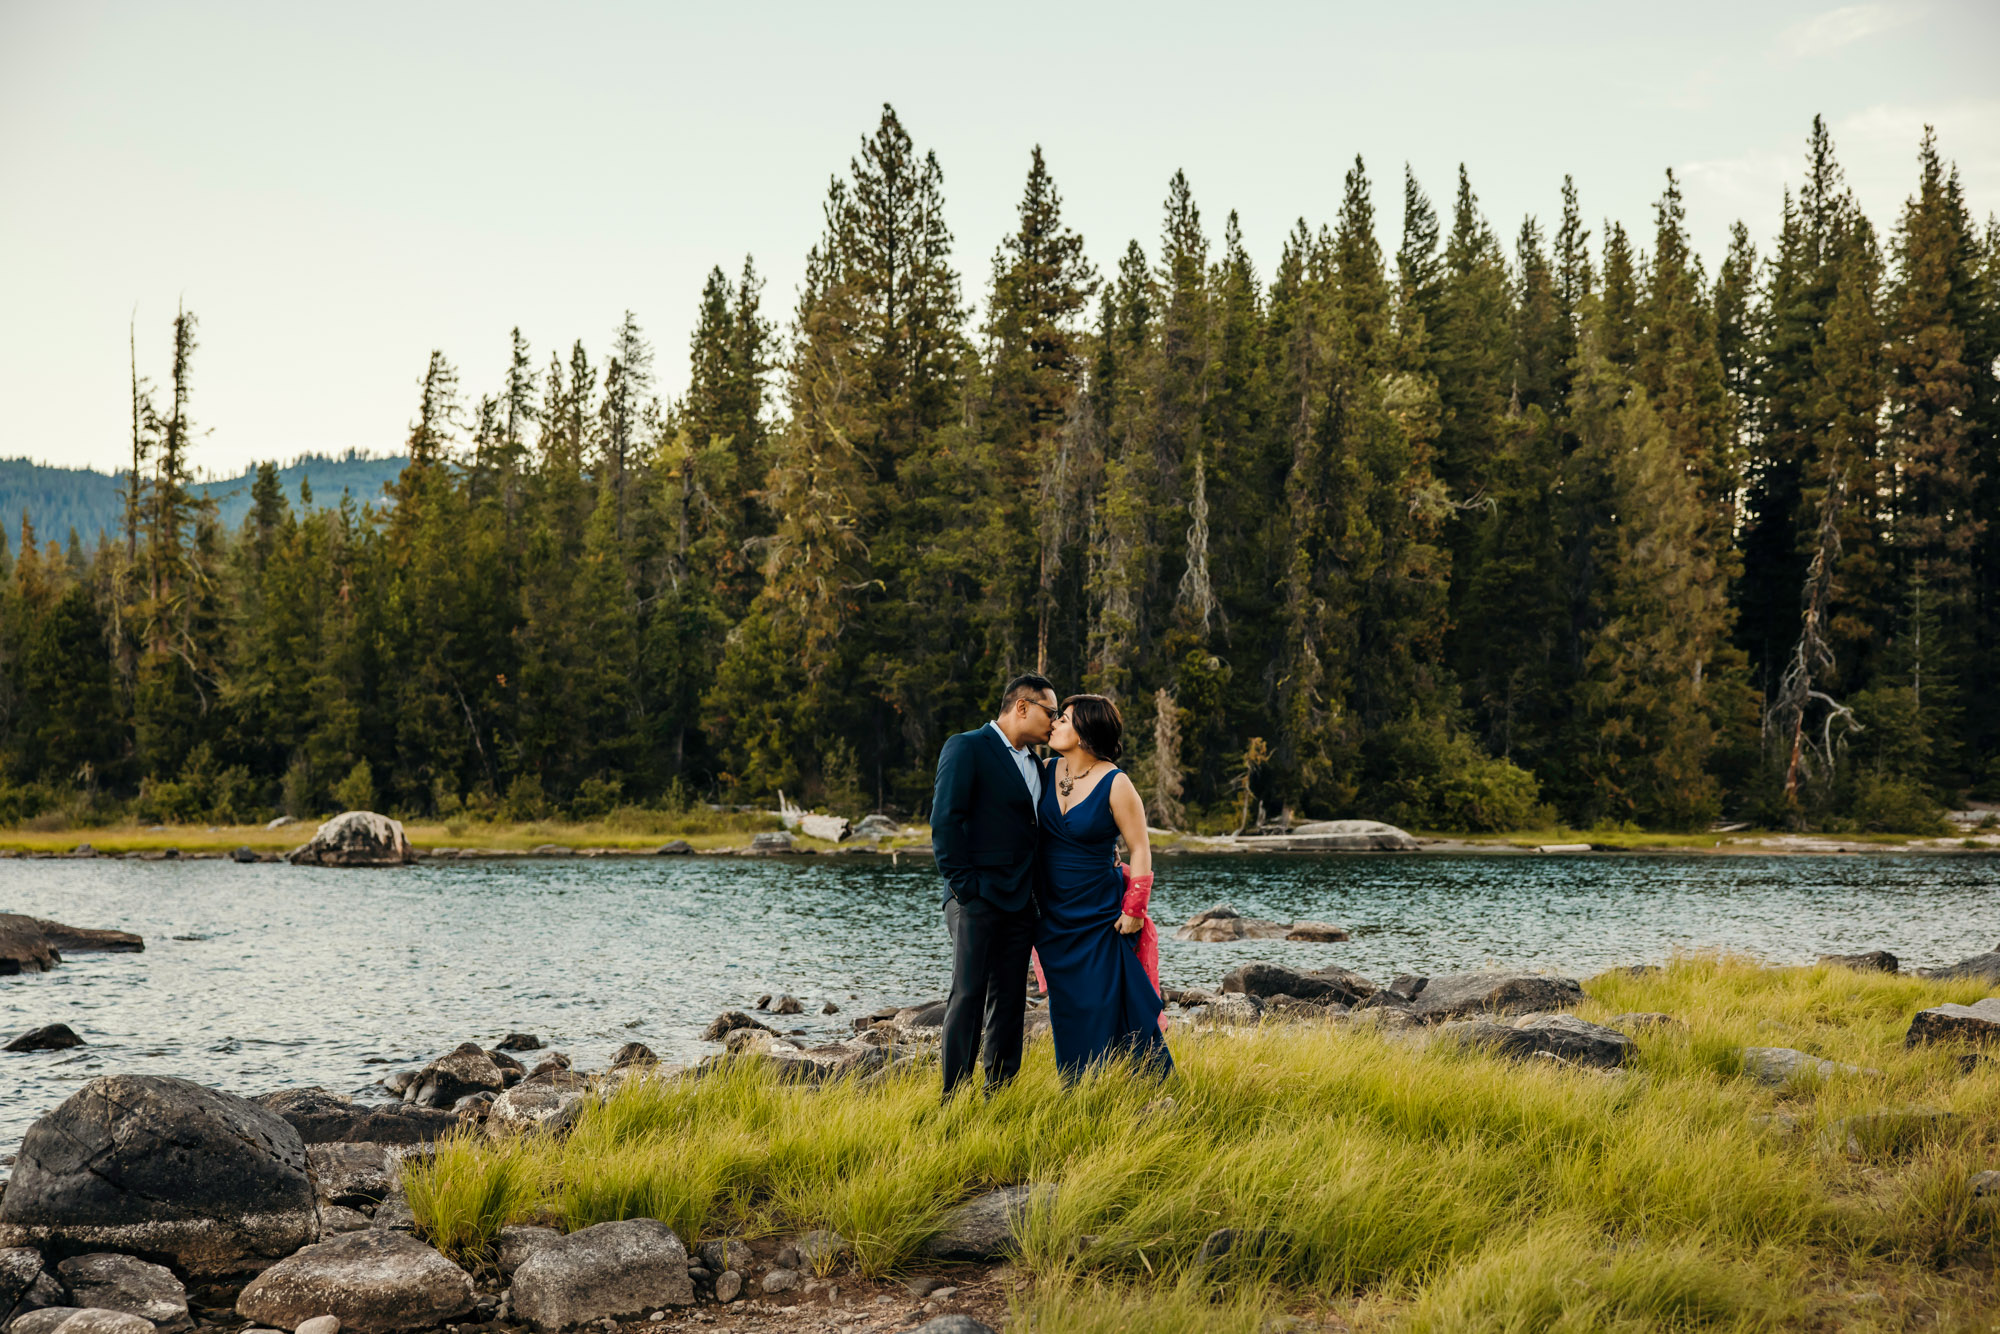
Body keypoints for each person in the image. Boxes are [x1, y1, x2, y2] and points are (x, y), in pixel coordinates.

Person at [930, 673, 1060, 1098]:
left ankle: (998, 1093)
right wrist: (966, 890)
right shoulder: (966, 746)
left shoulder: (1038, 766)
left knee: (1009, 1000)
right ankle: (954, 1096)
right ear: (1021, 706)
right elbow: (944, 821)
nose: (1054, 722)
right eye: (1050, 712)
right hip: (976, 897)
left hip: (1022, 901)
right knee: (968, 994)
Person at [1033, 693, 1172, 1083]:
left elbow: (1140, 848)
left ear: (1084, 731)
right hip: (1053, 918)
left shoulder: (1116, 782)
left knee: (1118, 1000)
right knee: (1070, 1008)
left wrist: (1134, 910)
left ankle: (1150, 1085)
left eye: (1064, 718)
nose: (1055, 723)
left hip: (1101, 915)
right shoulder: (1043, 770)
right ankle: (1078, 1090)